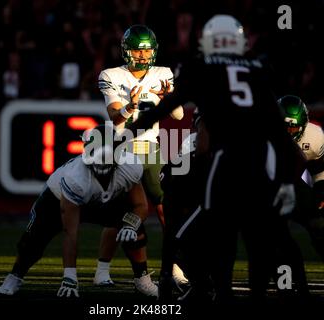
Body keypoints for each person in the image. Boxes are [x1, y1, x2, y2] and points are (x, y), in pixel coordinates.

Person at [126, 15, 305, 303]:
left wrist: (132, 129)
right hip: (261, 164)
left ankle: (219, 292)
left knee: (218, 239)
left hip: (225, 161)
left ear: (210, 41)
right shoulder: (259, 67)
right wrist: (285, 182)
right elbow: (278, 131)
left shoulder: (203, 66)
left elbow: (171, 104)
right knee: (262, 240)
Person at [0, 123, 158, 298]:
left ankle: (142, 280)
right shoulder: (75, 178)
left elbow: (140, 206)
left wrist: (130, 224)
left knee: (134, 230)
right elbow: (70, 233)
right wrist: (70, 277)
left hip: (105, 201)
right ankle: (15, 276)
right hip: (59, 199)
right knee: (32, 241)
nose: (101, 164)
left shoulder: (130, 166)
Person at [95, 24, 188, 291]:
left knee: (166, 210)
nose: (144, 55)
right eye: (138, 49)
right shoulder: (111, 75)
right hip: (123, 147)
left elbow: (179, 116)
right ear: (126, 51)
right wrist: (131, 106)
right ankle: (102, 270)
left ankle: (175, 268)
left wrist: (169, 99)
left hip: (152, 147)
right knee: (120, 214)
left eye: (147, 50)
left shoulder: (163, 74)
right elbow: (116, 118)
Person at [278, 95, 324, 260]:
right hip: (267, 187)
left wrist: (320, 190)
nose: (289, 133)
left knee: (319, 225)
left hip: (295, 185)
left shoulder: (316, 137)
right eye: (284, 128)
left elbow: (319, 169)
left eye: (293, 128)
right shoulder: (260, 133)